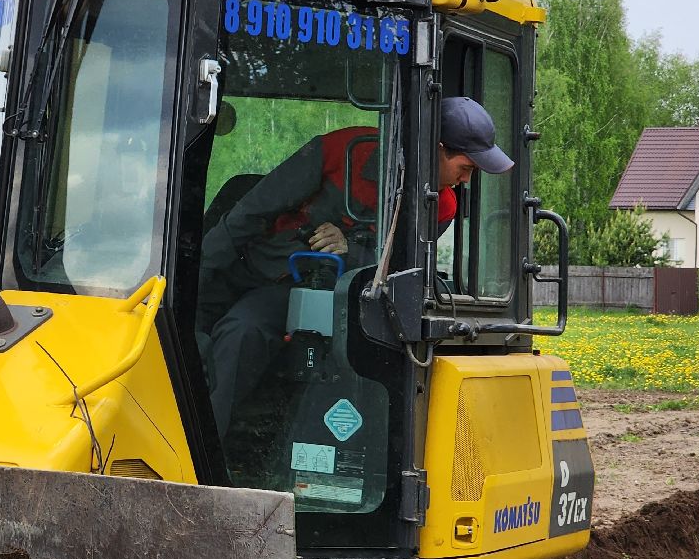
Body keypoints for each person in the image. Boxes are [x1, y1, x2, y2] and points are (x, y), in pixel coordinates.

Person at [198, 95, 511, 441]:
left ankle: (204, 442)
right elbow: (249, 213)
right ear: (438, 149)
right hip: (253, 263)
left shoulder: (443, 207)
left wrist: (350, 247)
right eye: (465, 168)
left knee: (242, 332)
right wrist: (189, 278)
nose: (465, 180)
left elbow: (399, 270)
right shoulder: (341, 151)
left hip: (319, 292)